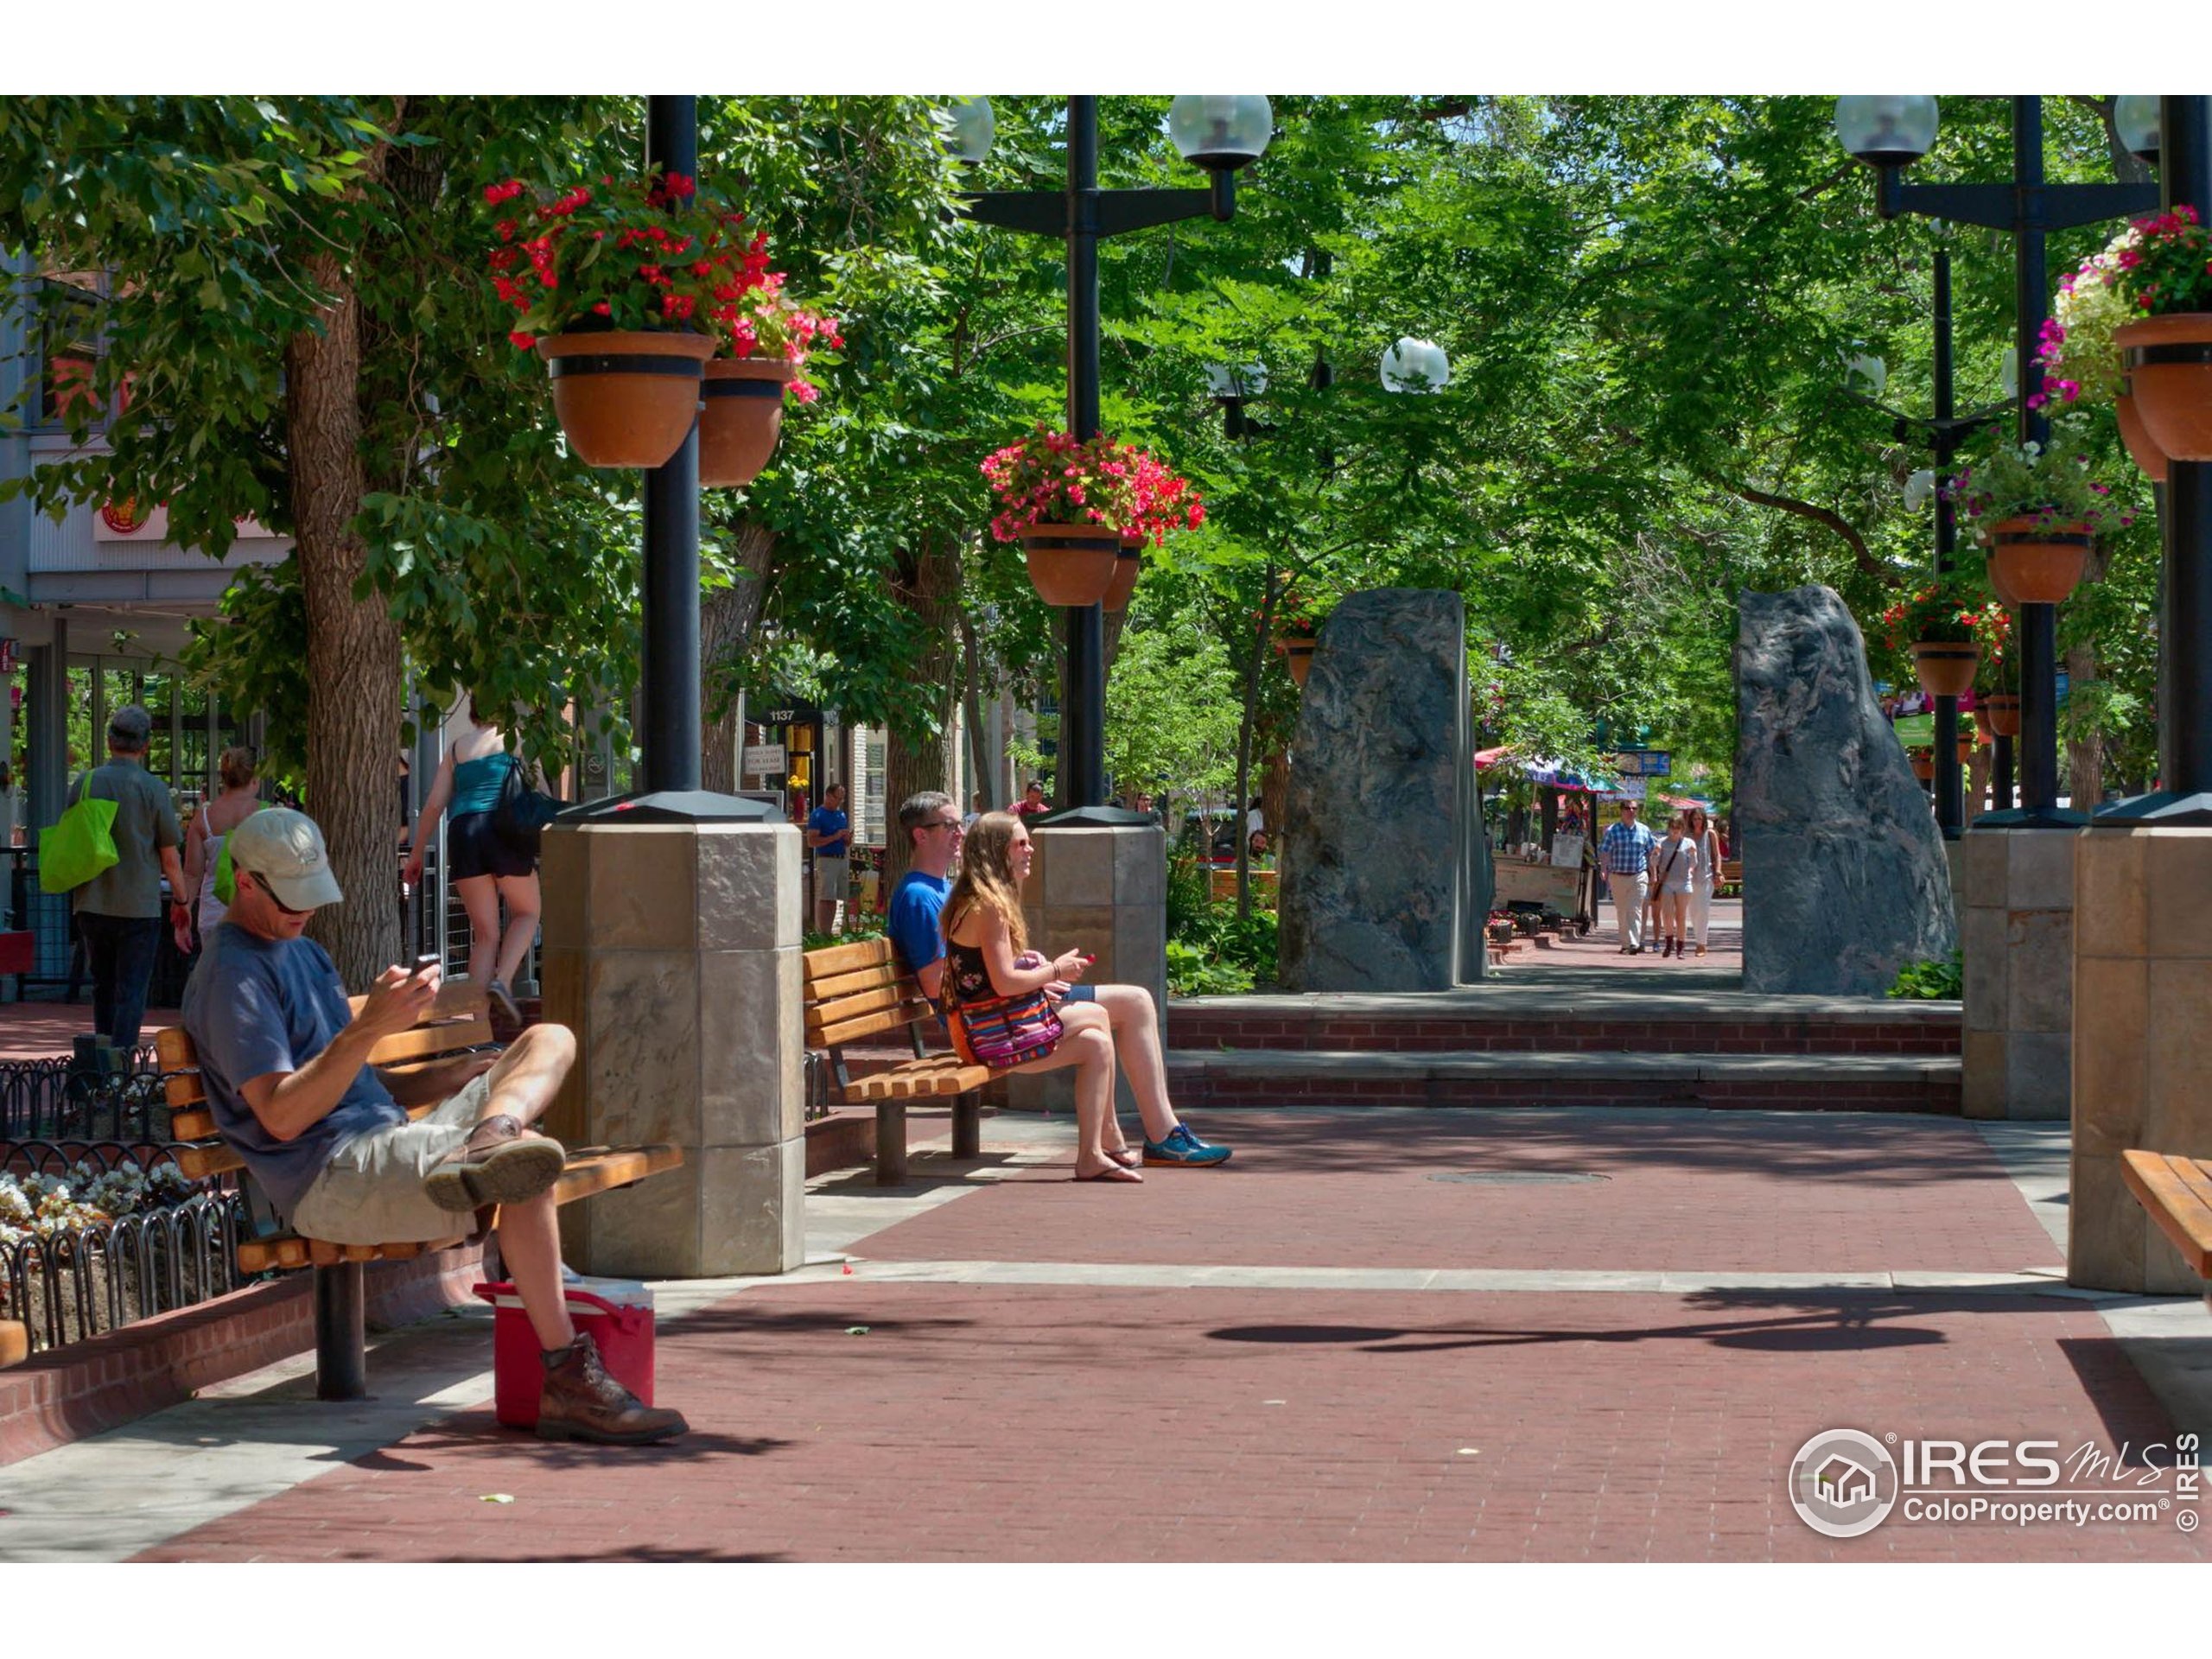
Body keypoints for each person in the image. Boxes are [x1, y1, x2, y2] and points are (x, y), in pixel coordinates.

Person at [184, 809, 683, 1444]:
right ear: (245, 881)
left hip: (379, 1142)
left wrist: (451, 1080)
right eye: (290, 898)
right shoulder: (233, 974)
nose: (304, 912)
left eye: (311, 895)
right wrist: (369, 1028)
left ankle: (491, 1131)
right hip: (330, 1178)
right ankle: (568, 1379)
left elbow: (352, 1088)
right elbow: (283, 1116)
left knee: (548, 1038)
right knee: (524, 1166)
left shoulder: (303, 952)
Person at [942, 812, 1230, 1180]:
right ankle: (1124, 1138)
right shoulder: (990, 905)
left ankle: (1098, 1150)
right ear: (998, 852)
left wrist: (1030, 968)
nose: (1031, 849)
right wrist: (1055, 971)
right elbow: (1003, 984)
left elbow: (986, 973)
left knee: (1097, 1040)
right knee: (1099, 1015)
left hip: (987, 1024)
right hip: (988, 1033)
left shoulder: (979, 899)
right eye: (1021, 843)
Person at [402, 696, 538, 1024]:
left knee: (485, 934)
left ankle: (477, 1031)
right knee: (528, 911)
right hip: (502, 829)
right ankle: (502, 980)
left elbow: (434, 804)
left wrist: (416, 854)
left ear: (473, 710)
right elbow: (537, 795)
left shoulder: (455, 749)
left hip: (464, 834)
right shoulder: (516, 740)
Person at [65, 705, 187, 1057]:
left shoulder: (85, 783)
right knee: (132, 990)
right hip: (139, 906)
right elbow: (169, 857)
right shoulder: (152, 789)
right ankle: (121, 1066)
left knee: (102, 986)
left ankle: (101, 1066)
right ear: (145, 746)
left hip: (92, 902)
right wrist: (182, 901)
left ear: (109, 741)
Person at [181, 745, 263, 952]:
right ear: (255, 777)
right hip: (257, 914)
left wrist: (184, 912)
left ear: (223, 778)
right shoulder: (268, 816)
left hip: (214, 915)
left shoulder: (204, 819)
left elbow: (191, 874)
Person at [887, 789, 962, 1003]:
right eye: (950, 826)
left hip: (987, 1008)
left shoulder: (943, 888)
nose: (961, 833)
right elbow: (935, 984)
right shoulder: (918, 897)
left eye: (960, 825)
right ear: (921, 835)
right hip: (972, 1021)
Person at [1598, 799, 1657, 955]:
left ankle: (1633, 943)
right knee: (1622, 910)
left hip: (1638, 875)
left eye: (1634, 808)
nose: (1631, 811)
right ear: (1621, 811)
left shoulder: (1644, 830)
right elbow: (1605, 851)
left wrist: (1654, 873)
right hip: (1618, 876)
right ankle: (1625, 943)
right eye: (1627, 808)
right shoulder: (1613, 830)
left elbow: (1651, 853)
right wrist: (1604, 869)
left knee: (1635, 909)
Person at [1646, 812, 1695, 961]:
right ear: (1669, 828)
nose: (1675, 830)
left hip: (1684, 883)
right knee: (1667, 915)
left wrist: (1693, 855)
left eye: (1678, 827)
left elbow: (1693, 864)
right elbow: (1653, 863)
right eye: (1673, 827)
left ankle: (1680, 948)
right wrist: (1655, 854)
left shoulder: (1688, 843)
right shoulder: (1662, 842)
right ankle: (1668, 943)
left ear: (1682, 829)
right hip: (1666, 883)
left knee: (1681, 917)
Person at [805, 782, 851, 936]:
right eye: (838, 798)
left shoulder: (841, 815)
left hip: (841, 857)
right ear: (828, 796)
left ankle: (844, 929)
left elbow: (845, 841)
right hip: (827, 859)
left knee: (844, 895)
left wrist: (847, 839)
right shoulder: (818, 815)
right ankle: (824, 932)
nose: (839, 802)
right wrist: (834, 837)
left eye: (842, 799)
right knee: (827, 896)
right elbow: (812, 841)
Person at [1684, 804, 1721, 958]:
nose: (1697, 822)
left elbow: (1717, 855)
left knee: (1704, 910)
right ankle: (1697, 939)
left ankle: (1701, 944)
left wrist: (1718, 872)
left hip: (1706, 876)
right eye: (1694, 819)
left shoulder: (1710, 834)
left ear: (1704, 820)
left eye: (1700, 819)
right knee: (1693, 911)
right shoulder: (1686, 836)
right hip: (1690, 878)